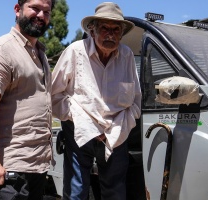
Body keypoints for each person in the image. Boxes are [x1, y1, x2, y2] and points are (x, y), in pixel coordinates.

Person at [51, 2, 142, 199]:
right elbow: (54, 95)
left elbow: (136, 101)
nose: (110, 34)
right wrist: (77, 117)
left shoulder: (126, 55)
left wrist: (123, 124)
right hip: (79, 131)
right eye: (105, 28)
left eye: (116, 29)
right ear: (93, 31)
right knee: (76, 192)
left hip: (116, 134)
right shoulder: (75, 51)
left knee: (116, 193)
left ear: (121, 34)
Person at [0, 0, 54, 199]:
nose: (41, 15)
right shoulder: (2, 49)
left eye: (46, 11)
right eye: (35, 8)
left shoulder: (39, 54)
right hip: (12, 166)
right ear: (17, 9)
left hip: (37, 164)